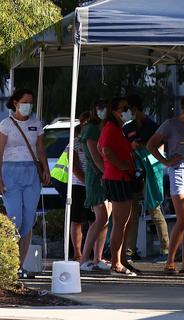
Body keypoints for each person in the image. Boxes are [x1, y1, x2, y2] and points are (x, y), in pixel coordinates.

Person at [148, 92, 184, 274]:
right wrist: (166, 161)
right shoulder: (170, 124)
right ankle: (169, 260)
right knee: (183, 218)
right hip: (178, 170)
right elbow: (151, 145)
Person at [0, 88, 50, 275]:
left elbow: (41, 150)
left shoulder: (36, 124)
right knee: (15, 220)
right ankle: (9, 264)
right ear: (15, 103)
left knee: (28, 221)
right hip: (10, 171)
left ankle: (18, 266)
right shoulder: (5, 124)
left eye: (30, 101)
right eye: (25, 101)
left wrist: (46, 169)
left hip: (31, 172)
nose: (28, 105)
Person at [122, 94, 169, 263]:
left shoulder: (153, 126)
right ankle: (130, 251)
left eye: (127, 109)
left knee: (155, 210)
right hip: (133, 173)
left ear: (135, 109)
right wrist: (131, 146)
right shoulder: (127, 128)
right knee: (131, 213)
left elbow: (161, 146)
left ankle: (165, 250)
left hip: (150, 172)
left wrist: (146, 149)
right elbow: (122, 146)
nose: (125, 112)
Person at [98, 95, 137, 276]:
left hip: (122, 178)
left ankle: (119, 260)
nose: (127, 111)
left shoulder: (119, 128)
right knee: (120, 222)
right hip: (116, 178)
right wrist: (120, 165)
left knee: (124, 222)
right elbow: (104, 149)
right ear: (114, 111)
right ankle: (115, 262)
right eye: (123, 108)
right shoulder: (111, 128)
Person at [50, 112, 90, 262]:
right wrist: (85, 181)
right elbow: (73, 166)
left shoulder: (96, 141)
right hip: (77, 185)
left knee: (95, 220)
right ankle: (78, 254)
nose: (87, 126)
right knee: (77, 219)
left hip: (92, 186)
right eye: (85, 123)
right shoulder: (74, 142)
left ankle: (95, 255)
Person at [79, 100, 112, 273]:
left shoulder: (103, 126)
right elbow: (94, 156)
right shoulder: (91, 128)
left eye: (105, 108)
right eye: (99, 108)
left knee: (104, 220)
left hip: (104, 175)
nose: (102, 111)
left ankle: (97, 258)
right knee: (101, 218)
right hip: (97, 177)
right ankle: (84, 258)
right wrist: (105, 174)